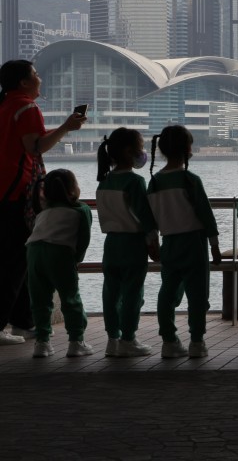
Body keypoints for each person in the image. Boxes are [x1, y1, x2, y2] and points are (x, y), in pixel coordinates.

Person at [0, 60, 85, 346]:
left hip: (4, 191)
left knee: (19, 259)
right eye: (35, 74)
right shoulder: (26, 107)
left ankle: (24, 322)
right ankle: (5, 325)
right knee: (14, 263)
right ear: (24, 82)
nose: (39, 78)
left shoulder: (5, 105)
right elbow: (35, 146)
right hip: (18, 193)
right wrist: (67, 127)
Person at [147, 125, 222, 359]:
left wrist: (152, 244)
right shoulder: (190, 179)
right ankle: (197, 342)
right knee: (198, 296)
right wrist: (215, 246)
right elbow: (206, 215)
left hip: (168, 244)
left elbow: (150, 220)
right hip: (194, 243)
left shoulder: (155, 181)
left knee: (167, 294)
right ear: (187, 148)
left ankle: (169, 341)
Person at [95, 127, 159, 358]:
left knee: (110, 294)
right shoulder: (135, 181)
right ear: (129, 151)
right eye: (141, 148)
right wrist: (153, 242)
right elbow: (145, 216)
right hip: (132, 245)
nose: (143, 153)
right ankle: (128, 339)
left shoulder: (104, 182)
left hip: (110, 244)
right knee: (133, 293)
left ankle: (112, 339)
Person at [25, 169, 92, 358]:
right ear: (73, 189)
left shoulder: (43, 213)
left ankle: (42, 343)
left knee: (39, 300)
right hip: (59, 253)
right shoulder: (81, 209)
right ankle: (76, 342)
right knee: (70, 298)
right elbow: (83, 240)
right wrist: (76, 259)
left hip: (33, 252)